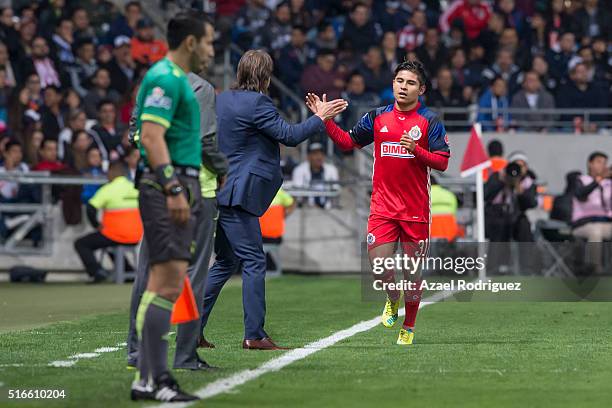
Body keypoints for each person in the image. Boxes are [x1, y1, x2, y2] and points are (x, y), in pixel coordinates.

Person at [200, 49, 346, 351]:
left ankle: (192, 330)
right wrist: (320, 117)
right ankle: (254, 335)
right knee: (254, 261)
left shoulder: (222, 99)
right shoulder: (258, 103)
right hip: (240, 194)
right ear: (266, 77)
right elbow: (289, 135)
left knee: (225, 262)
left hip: (223, 188)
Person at [306, 59, 451, 346]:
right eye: (400, 81)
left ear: (420, 89)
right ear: (392, 83)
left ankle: (408, 325)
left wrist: (419, 151)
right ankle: (391, 297)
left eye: (410, 83)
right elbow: (348, 143)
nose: (403, 87)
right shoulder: (377, 117)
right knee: (379, 266)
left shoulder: (430, 121)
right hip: (383, 207)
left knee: (412, 273)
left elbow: (443, 162)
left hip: (415, 210)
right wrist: (325, 121)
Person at [126, 15, 225, 373]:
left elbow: (136, 132)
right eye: (209, 42)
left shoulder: (159, 79)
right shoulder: (179, 82)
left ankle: (143, 362)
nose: (213, 51)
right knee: (182, 278)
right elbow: (158, 137)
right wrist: (174, 186)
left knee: (155, 278)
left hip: (166, 183)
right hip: (180, 187)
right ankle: (175, 359)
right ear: (190, 43)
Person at [74, 161, 142, 283]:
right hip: (136, 236)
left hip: (113, 235)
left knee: (81, 244)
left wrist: (96, 225)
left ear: (112, 172)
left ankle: (96, 272)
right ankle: (128, 271)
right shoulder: (134, 188)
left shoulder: (108, 189)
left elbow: (90, 208)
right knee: (110, 243)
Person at [571, 152, 611, 274]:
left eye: (604, 163)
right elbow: (580, 194)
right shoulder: (580, 180)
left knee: (598, 229)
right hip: (583, 224)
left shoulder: (608, 183)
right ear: (590, 163)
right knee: (595, 231)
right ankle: (595, 270)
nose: (602, 166)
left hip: (606, 223)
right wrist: (598, 180)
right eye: (599, 162)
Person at [291, 142, 339, 208]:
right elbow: (298, 195)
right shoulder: (299, 170)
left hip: (327, 209)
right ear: (308, 157)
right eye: (315, 154)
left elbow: (336, 190)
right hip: (306, 209)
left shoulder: (332, 169)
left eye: (321, 154)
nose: (319, 157)